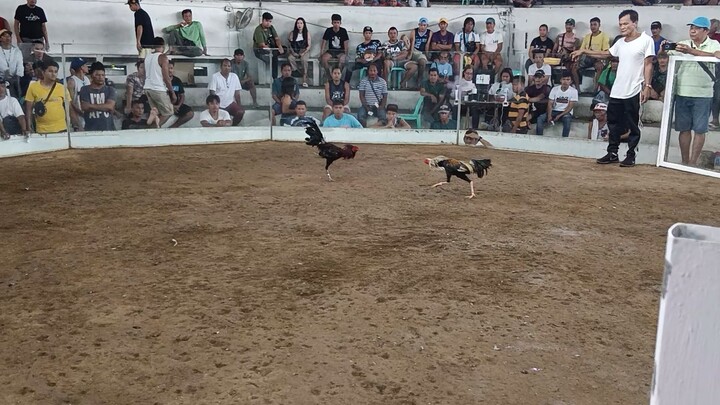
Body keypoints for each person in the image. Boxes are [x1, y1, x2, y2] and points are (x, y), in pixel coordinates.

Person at [571, 9, 655, 167]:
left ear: (634, 23)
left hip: (634, 89)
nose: (622, 27)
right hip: (617, 89)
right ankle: (612, 152)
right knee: (614, 123)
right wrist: (583, 50)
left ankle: (631, 155)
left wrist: (647, 86)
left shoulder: (646, 40)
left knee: (632, 124)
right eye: (620, 24)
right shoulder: (621, 42)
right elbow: (605, 54)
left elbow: (648, 63)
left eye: (625, 23)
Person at [665, 16, 720, 166]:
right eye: (691, 27)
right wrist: (664, 47)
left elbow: (717, 55)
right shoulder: (683, 44)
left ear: (706, 31)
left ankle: (693, 163)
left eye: (696, 28)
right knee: (684, 129)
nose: (692, 30)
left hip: (703, 94)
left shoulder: (714, 43)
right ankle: (684, 162)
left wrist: (691, 51)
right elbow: (664, 53)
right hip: (682, 91)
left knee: (700, 130)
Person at [24, 60, 69, 134]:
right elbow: (28, 109)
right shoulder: (33, 87)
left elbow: (68, 108)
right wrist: (28, 128)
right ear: (43, 72)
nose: (53, 74)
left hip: (61, 128)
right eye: (50, 71)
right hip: (42, 130)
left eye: (55, 71)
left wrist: (76, 125)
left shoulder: (62, 88)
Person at [143, 37, 176, 127]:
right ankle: (152, 129)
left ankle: (153, 124)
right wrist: (172, 93)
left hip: (147, 88)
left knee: (155, 112)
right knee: (168, 112)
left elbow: (144, 74)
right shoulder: (163, 57)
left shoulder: (147, 57)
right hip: (158, 88)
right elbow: (166, 77)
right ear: (163, 46)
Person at [536, 71, 578, 137]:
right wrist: (549, 115)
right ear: (560, 80)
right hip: (554, 111)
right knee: (540, 118)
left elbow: (570, 107)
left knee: (567, 120)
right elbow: (550, 104)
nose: (565, 81)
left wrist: (559, 116)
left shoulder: (574, 91)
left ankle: (564, 140)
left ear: (571, 81)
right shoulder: (554, 89)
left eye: (568, 80)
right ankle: (539, 138)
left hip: (565, 112)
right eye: (563, 79)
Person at [572, 17, 610, 89]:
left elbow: (605, 52)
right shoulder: (587, 36)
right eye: (591, 25)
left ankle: (595, 89)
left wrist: (597, 57)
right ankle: (577, 89)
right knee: (574, 67)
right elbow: (582, 50)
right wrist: (577, 60)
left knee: (599, 67)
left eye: (595, 24)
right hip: (587, 58)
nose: (593, 27)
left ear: (599, 25)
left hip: (598, 58)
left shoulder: (604, 36)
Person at [78, 62, 116, 131]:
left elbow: (110, 107)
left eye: (103, 75)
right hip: (91, 129)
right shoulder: (84, 89)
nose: (101, 77)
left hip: (109, 129)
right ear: (92, 76)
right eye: (97, 75)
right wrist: (104, 106)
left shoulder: (110, 89)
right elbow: (84, 107)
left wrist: (90, 106)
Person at [208, 58, 244, 126]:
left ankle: (233, 126)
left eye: (229, 66)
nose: (227, 68)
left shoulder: (234, 76)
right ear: (221, 67)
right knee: (220, 122)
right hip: (219, 105)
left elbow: (237, 94)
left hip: (230, 103)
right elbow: (212, 93)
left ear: (231, 67)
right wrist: (215, 106)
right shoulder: (215, 76)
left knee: (240, 112)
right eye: (224, 66)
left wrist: (239, 105)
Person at [253, 12, 284, 80]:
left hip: (270, 48)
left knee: (285, 49)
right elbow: (262, 45)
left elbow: (277, 39)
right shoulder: (258, 30)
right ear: (263, 20)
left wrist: (280, 47)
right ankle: (275, 77)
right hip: (260, 50)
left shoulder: (271, 28)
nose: (268, 23)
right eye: (266, 21)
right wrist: (272, 50)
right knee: (274, 55)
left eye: (270, 21)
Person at [320, 14, 349, 82]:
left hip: (340, 51)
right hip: (331, 50)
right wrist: (321, 53)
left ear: (340, 23)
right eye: (335, 22)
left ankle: (338, 76)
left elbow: (346, 44)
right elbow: (324, 42)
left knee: (342, 60)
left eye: (338, 23)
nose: (336, 24)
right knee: (324, 59)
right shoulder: (328, 30)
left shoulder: (343, 31)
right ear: (332, 23)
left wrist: (346, 54)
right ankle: (330, 77)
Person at [168, 60, 194, 128]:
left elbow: (182, 96)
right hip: (165, 106)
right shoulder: (160, 80)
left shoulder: (177, 80)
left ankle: (174, 126)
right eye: (167, 68)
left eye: (171, 68)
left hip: (176, 105)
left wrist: (178, 106)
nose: (170, 70)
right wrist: (171, 106)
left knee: (190, 113)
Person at [288, 17, 311, 88]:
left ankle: (304, 79)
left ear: (304, 24)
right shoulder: (292, 33)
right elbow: (289, 44)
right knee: (290, 58)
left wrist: (303, 53)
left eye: (301, 23)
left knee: (304, 60)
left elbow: (309, 45)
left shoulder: (307, 33)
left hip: (304, 50)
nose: (299, 25)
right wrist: (293, 52)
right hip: (295, 51)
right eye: (298, 23)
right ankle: (297, 71)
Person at [0, 29, 23, 97]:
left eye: (9, 36)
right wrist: (6, 72)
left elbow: (20, 65)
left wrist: (17, 75)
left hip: (15, 78)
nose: (8, 38)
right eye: (5, 36)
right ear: (0, 39)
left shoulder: (17, 51)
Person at [409, 18, 432, 82]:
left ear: (427, 25)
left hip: (422, 52)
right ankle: (419, 80)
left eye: (424, 25)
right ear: (419, 25)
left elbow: (427, 44)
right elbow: (412, 43)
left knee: (423, 61)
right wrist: (410, 54)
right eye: (421, 25)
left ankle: (419, 79)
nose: (422, 27)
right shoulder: (414, 31)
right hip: (415, 50)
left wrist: (427, 55)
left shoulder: (429, 32)